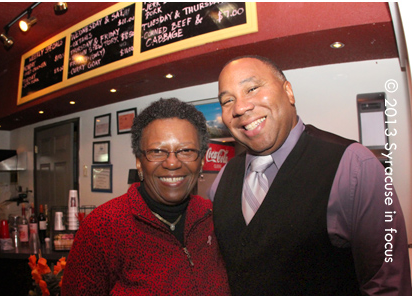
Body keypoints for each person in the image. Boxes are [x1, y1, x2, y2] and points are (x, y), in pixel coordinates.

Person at [209, 55, 411, 295]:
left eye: (252, 88)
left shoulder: (355, 166)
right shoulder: (222, 180)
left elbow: (388, 283)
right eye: (228, 100)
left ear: (289, 92)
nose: (240, 107)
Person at [62, 98, 230, 295]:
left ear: (201, 161)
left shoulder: (212, 216)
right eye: (157, 151)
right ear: (139, 162)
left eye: (186, 151)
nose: (172, 163)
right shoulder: (101, 229)